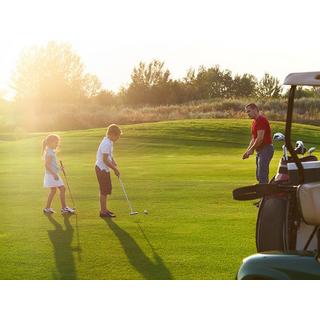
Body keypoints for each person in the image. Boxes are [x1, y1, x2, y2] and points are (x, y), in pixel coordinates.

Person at [42, 134, 75, 214]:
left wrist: (60, 168)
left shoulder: (50, 151)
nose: (57, 144)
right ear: (50, 143)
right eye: (55, 143)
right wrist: (54, 174)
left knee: (53, 191)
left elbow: (53, 165)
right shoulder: (49, 152)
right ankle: (64, 208)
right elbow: (47, 165)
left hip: (51, 174)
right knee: (62, 189)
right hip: (52, 175)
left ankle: (47, 208)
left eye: (57, 143)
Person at [242, 103, 274, 184]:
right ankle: (264, 191)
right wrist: (248, 151)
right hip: (260, 150)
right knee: (259, 176)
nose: (247, 113)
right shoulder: (254, 122)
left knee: (262, 175)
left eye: (249, 111)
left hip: (266, 149)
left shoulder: (261, 120)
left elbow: (260, 139)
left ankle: (265, 195)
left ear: (255, 110)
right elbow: (254, 139)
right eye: (246, 112)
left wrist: (252, 149)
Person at [95, 124, 122, 218]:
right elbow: (105, 160)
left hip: (103, 168)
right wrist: (114, 169)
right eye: (117, 136)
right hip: (101, 168)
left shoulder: (109, 141)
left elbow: (110, 155)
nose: (118, 138)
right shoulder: (106, 143)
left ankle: (105, 209)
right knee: (104, 190)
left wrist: (114, 162)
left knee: (106, 190)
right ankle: (103, 212)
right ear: (112, 134)